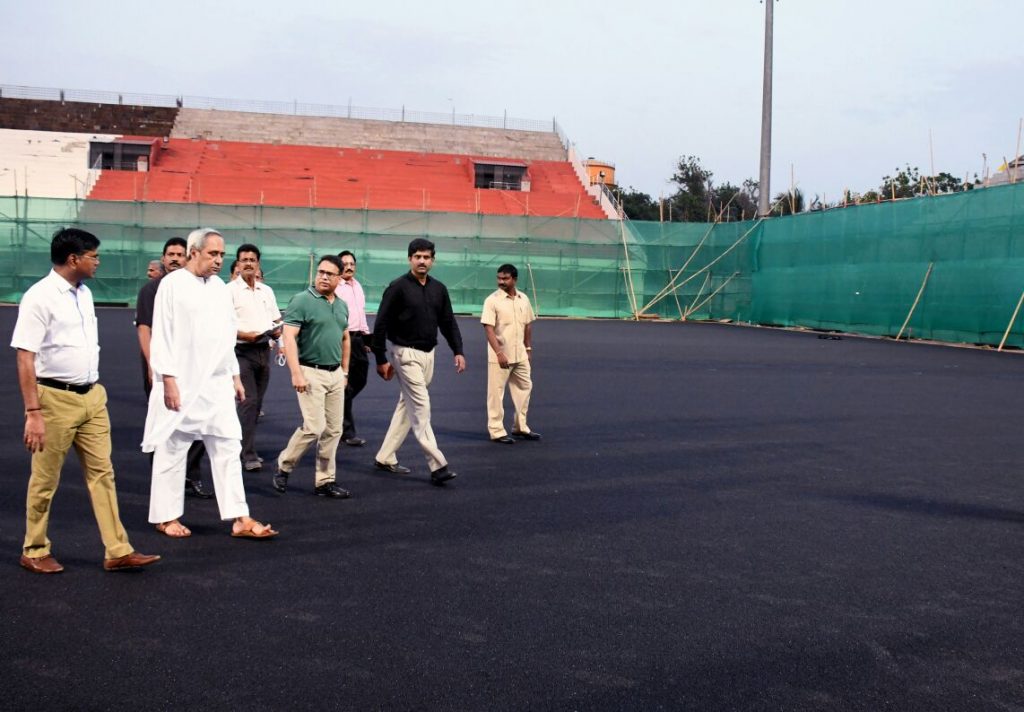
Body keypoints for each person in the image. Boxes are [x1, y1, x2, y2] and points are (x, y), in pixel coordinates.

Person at [11, 227, 161, 573]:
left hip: (92, 397)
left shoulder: (84, 294)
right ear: (73, 259)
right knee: (45, 479)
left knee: (103, 475)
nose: (98, 261)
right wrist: (33, 411)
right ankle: (34, 549)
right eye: (93, 255)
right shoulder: (40, 297)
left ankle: (117, 549)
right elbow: (25, 358)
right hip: (54, 400)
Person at [143, 228, 278, 539]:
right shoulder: (172, 285)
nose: (219, 260)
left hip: (216, 382)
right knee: (173, 448)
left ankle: (239, 517)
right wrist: (169, 380)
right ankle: (165, 517)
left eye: (221, 254)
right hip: (181, 381)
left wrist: (233, 376)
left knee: (229, 445)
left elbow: (226, 335)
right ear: (194, 252)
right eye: (212, 254)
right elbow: (161, 334)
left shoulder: (220, 287)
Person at [371, 238, 464, 486]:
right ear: (409, 259)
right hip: (404, 354)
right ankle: (438, 465)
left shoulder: (439, 289)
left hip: (428, 355)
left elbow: (448, 322)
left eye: (426, 257)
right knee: (421, 408)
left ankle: (385, 456)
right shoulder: (398, 287)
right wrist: (380, 358)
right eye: (417, 257)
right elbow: (380, 324)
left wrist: (458, 350)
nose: (422, 261)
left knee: (407, 406)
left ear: (433, 260)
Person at [136, 237, 213, 499]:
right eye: (170, 254)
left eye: (180, 254)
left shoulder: (199, 287)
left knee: (198, 424)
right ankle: (163, 481)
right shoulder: (152, 289)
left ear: (188, 256)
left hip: (193, 368)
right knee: (163, 425)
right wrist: (152, 365)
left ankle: (191, 476)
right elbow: (145, 328)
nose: (175, 259)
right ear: (163, 257)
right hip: (161, 368)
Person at [273, 255, 352, 498]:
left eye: (330, 274)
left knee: (334, 430)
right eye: (321, 272)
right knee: (314, 427)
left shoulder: (341, 305)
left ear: (340, 278)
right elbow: (288, 337)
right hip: (309, 372)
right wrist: (296, 373)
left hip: (335, 374)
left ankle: (325, 481)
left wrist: (345, 371)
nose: (324, 277)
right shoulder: (302, 301)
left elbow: (345, 338)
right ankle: (284, 466)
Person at [228, 243, 281, 472]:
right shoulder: (228, 291)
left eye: (252, 259)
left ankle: (239, 444)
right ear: (238, 264)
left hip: (263, 350)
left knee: (256, 404)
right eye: (244, 259)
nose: (248, 263)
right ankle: (247, 454)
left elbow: (277, 320)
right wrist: (244, 335)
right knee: (248, 403)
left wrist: (279, 339)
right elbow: (222, 325)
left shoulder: (266, 292)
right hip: (241, 352)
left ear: (258, 263)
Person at [481, 264, 541, 443]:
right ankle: (497, 431)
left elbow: (528, 325)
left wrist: (528, 348)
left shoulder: (524, 299)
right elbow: (488, 328)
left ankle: (520, 427)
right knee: (496, 394)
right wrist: (499, 353)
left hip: (520, 355)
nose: (501, 282)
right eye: (499, 278)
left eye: (505, 279)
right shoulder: (492, 301)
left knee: (525, 387)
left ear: (514, 279)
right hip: (500, 356)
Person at [335, 250, 371, 447]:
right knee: (344, 384)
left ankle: (335, 406)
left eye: (352, 263)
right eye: (345, 263)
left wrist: (367, 339)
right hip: (342, 339)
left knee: (360, 380)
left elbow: (361, 314)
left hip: (358, 339)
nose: (349, 267)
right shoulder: (336, 287)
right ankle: (347, 431)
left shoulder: (357, 286)